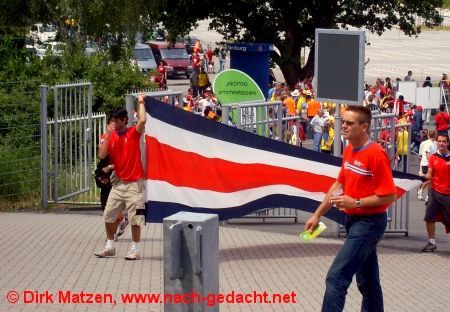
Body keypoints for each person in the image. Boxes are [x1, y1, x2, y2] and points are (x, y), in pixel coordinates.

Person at [305, 105, 397, 312]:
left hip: (369, 224)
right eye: (343, 122)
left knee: (336, 277)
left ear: (364, 127)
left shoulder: (375, 153)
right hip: (354, 222)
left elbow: (390, 194)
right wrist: (317, 215)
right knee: (368, 281)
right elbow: (338, 186)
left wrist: (355, 202)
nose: (343, 126)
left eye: (349, 123)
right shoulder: (349, 149)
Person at [94, 95, 147, 260]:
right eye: (113, 121)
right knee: (108, 215)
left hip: (135, 184)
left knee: (136, 218)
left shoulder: (133, 133)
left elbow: (143, 120)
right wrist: (109, 135)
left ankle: (135, 249)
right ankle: (110, 247)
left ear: (125, 120)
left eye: (119, 120)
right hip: (118, 183)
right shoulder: (111, 137)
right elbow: (101, 155)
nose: (116, 123)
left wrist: (141, 102)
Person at [95, 116, 129, 241]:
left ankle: (113, 233)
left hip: (115, 172)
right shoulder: (105, 137)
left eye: (116, 122)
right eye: (112, 123)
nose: (114, 125)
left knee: (112, 204)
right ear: (108, 125)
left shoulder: (121, 137)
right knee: (105, 203)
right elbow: (102, 154)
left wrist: (110, 167)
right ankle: (121, 220)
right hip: (105, 171)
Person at [422, 134, 450, 252]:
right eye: (439, 141)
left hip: (448, 194)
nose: (441, 143)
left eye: (444, 141)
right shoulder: (433, 157)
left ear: (448, 143)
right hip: (434, 191)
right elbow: (429, 173)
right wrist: (424, 178)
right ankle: (431, 242)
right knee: (429, 217)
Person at [417, 130, 437, 201]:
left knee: (430, 180)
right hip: (426, 164)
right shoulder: (428, 144)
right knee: (428, 179)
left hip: (428, 163)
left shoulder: (434, 143)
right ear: (435, 135)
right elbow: (427, 154)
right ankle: (420, 191)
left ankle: (427, 195)